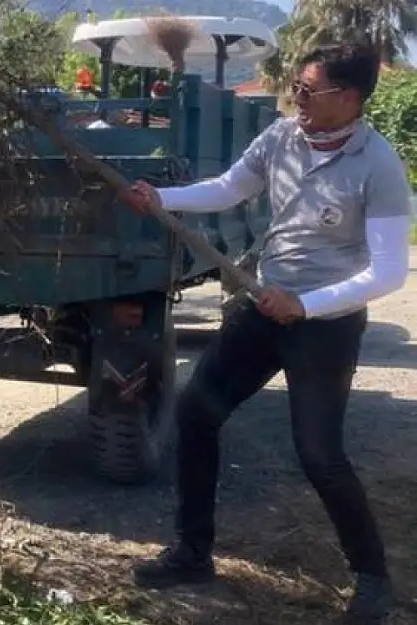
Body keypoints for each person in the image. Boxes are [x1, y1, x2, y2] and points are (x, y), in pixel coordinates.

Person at [118, 43, 410, 624]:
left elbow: (388, 271)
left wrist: (306, 304)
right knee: (197, 412)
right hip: (264, 306)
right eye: (296, 87)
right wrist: (161, 198)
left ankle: (373, 578)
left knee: (320, 456)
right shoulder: (281, 137)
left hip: (323, 324)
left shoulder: (379, 166)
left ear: (348, 98)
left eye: (309, 89)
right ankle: (192, 553)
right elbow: (229, 187)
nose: (296, 98)